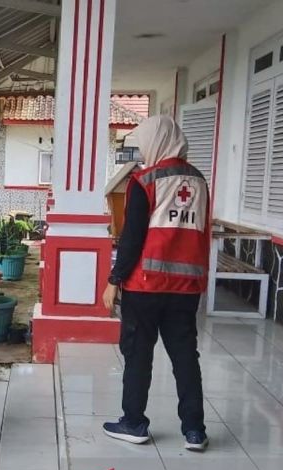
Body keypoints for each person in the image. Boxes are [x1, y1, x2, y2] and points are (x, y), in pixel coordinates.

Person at [101, 115, 211, 451]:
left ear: (155, 141)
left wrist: (114, 280)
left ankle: (134, 422)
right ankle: (194, 431)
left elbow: (132, 237)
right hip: (185, 287)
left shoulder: (145, 180)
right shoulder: (199, 181)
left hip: (145, 286)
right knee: (184, 356)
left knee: (138, 355)